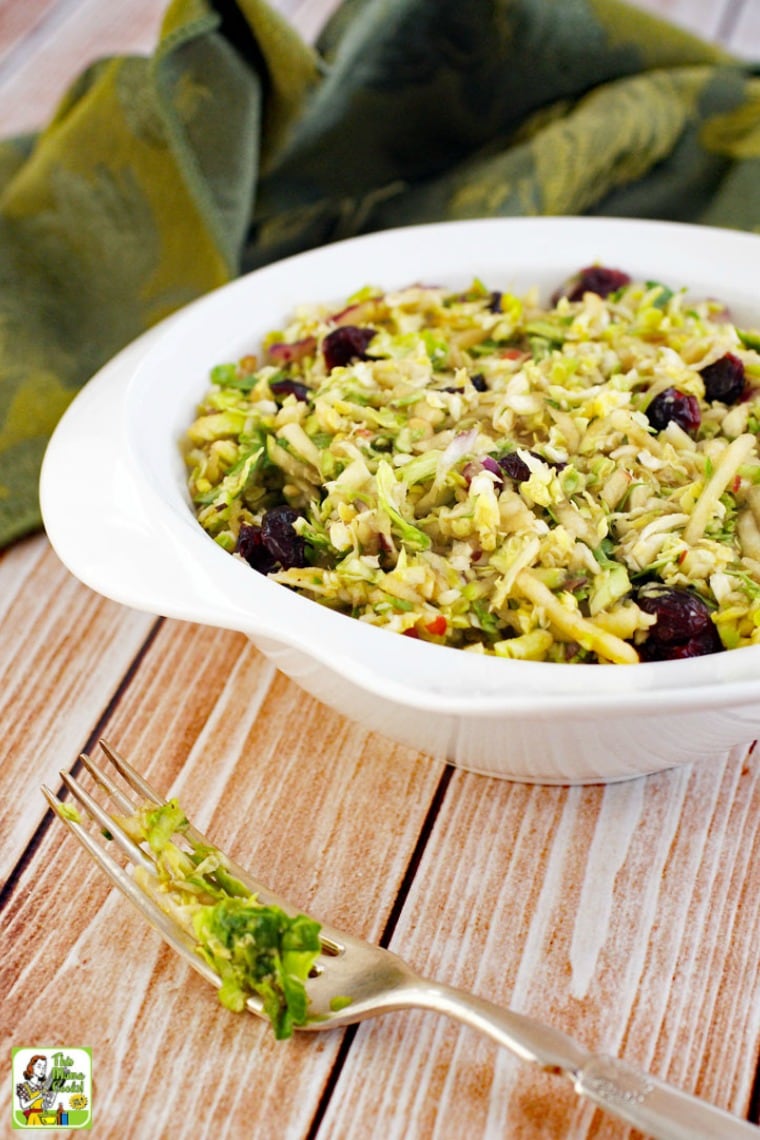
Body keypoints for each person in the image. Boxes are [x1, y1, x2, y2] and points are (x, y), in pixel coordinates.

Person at [16, 1055, 55, 1125]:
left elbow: (47, 1105)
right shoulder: (23, 1087)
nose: (42, 1070)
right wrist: (37, 1097)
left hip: (42, 1118)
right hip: (32, 1118)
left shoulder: (44, 1086)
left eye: (44, 1067)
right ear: (31, 1067)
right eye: (39, 1067)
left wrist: (54, 1093)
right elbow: (23, 1106)